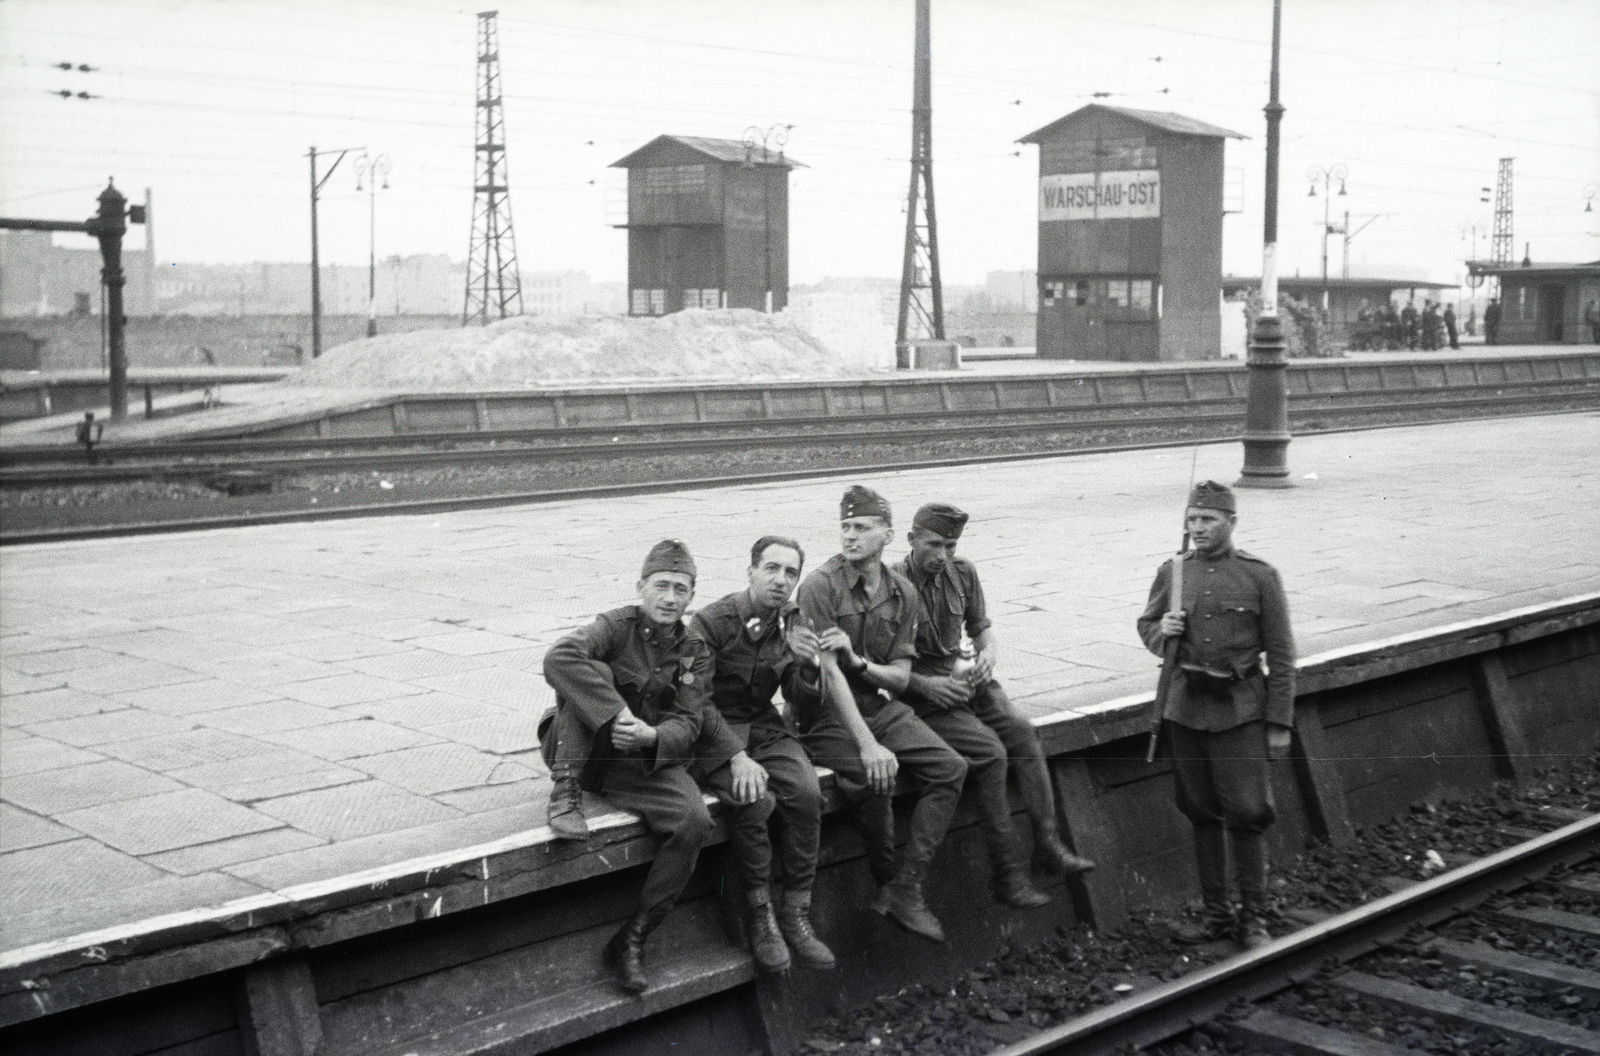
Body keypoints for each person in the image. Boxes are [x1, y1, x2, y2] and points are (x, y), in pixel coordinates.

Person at [540, 540, 776, 994]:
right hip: (585, 751)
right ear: (641, 587)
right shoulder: (615, 626)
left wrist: (653, 737)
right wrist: (614, 715)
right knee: (589, 672)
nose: (670, 598)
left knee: (693, 821)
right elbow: (558, 658)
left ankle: (633, 938)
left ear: (691, 597)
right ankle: (564, 791)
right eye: (661, 586)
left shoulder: (692, 649)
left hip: (642, 756)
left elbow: (690, 718)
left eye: (681, 590)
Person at [786, 485, 968, 943]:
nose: (850, 536)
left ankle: (907, 889)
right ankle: (887, 881)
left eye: (862, 528)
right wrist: (869, 745)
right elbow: (827, 674)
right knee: (874, 778)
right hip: (822, 718)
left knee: (951, 768)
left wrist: (861, 664)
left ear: (887, 535)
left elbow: (903, 676)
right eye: (845, 527)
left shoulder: (902, 591)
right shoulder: (820, 586)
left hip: (877, 705)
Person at [894, 502, 1094, 908]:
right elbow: (879, 664)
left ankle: (1048, 844)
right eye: (934, 545)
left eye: (950, 546)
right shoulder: (893, 584)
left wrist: (988, 653)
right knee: (991, 752)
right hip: (925, 695)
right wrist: (924, 685)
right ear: (911, 539)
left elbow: (980, 628)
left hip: (968, 681)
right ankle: (1007, 872)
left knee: (1022, 731)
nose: (943, 556)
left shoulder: (963, 572)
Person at [1137, 481, 1296, 952]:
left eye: (1208, 520)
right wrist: (1159, 630)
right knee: (1201, 813)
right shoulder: (1174, 571)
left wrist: (1279, 723)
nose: (1198, 528)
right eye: (1192, 519)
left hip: (1240, 711)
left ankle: (1254, 917)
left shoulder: (1260, 576)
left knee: (1247, 814)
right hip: (1185, 709)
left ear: (1231, 522)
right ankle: (1216, 915)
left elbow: (1283, 656)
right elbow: (1146, 624)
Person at [687, 535, 837, 972]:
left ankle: (796, 912)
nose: (780, 580)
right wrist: (735, 755)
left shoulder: (791, 622)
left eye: (790, 572)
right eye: (771, 568)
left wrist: (806, 666)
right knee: (755, 797)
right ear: (750, 571)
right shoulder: (713, 623)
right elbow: (696, 703)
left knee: (807, 793)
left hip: (764, 726)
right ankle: (761, 916)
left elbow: (800, 702)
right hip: (712, 731)